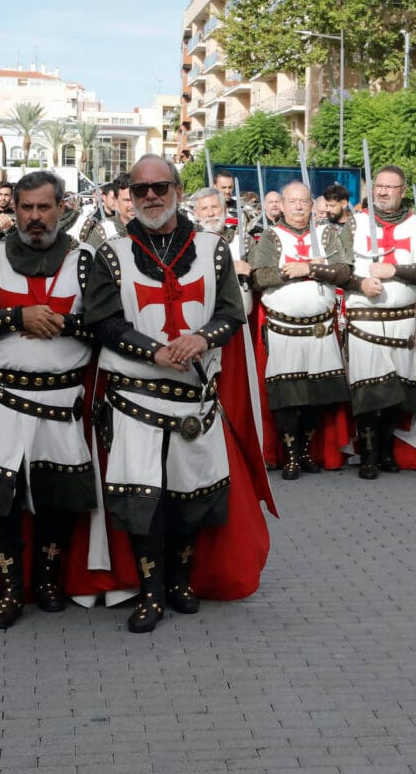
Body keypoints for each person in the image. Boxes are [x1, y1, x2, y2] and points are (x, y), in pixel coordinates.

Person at [85, 154, 271, 632]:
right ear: (129, 193)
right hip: (135, 399)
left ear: (177, 190)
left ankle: (181, 581)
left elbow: (232, 312)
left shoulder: (212, 250)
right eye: (140, 188)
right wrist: (154, 351)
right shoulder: (111, 253)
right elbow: (101, 321)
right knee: (142, 501)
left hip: (194, 399)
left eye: (159, 187)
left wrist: (202, 338)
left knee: (192, 498)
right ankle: (151, 592)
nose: (150, 196)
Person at [0, 171, 97, 629]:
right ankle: (11, 590)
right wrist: (18, 317)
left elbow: (105, 325)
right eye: (26, 208)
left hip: (61, 400)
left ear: (62, 208)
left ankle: (49, 581)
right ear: (14, 209)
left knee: (59, 498)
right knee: (2, 500)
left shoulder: (86, 260)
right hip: (3, 402)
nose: (35, 217)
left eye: (44, 207)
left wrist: (56, 322)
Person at [248, 181, 353, 480]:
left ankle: (306, 449)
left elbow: (344, 270)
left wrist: (310, 268)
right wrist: (285, 271)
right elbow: (259, 277)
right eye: (292, 201)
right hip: (285, 330)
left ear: (312, 205)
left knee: (317, 394)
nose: (297, 207)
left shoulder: (328, 233)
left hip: (320, 328)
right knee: (287, 395)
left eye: (303, 201)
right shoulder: (271, 236)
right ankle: (291, 454)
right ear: (281, 205)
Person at [345, 165, 416, 478]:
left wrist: (393, 270)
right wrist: (360, 283)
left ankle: (386, 450)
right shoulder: (351, 224)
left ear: (403, 190)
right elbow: (337, 269)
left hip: (402, 321)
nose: (382, 192)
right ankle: (368, 455)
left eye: (390, 187)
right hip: (364, 319)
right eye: (378, 186)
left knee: (398, 390)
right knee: (369, 391)